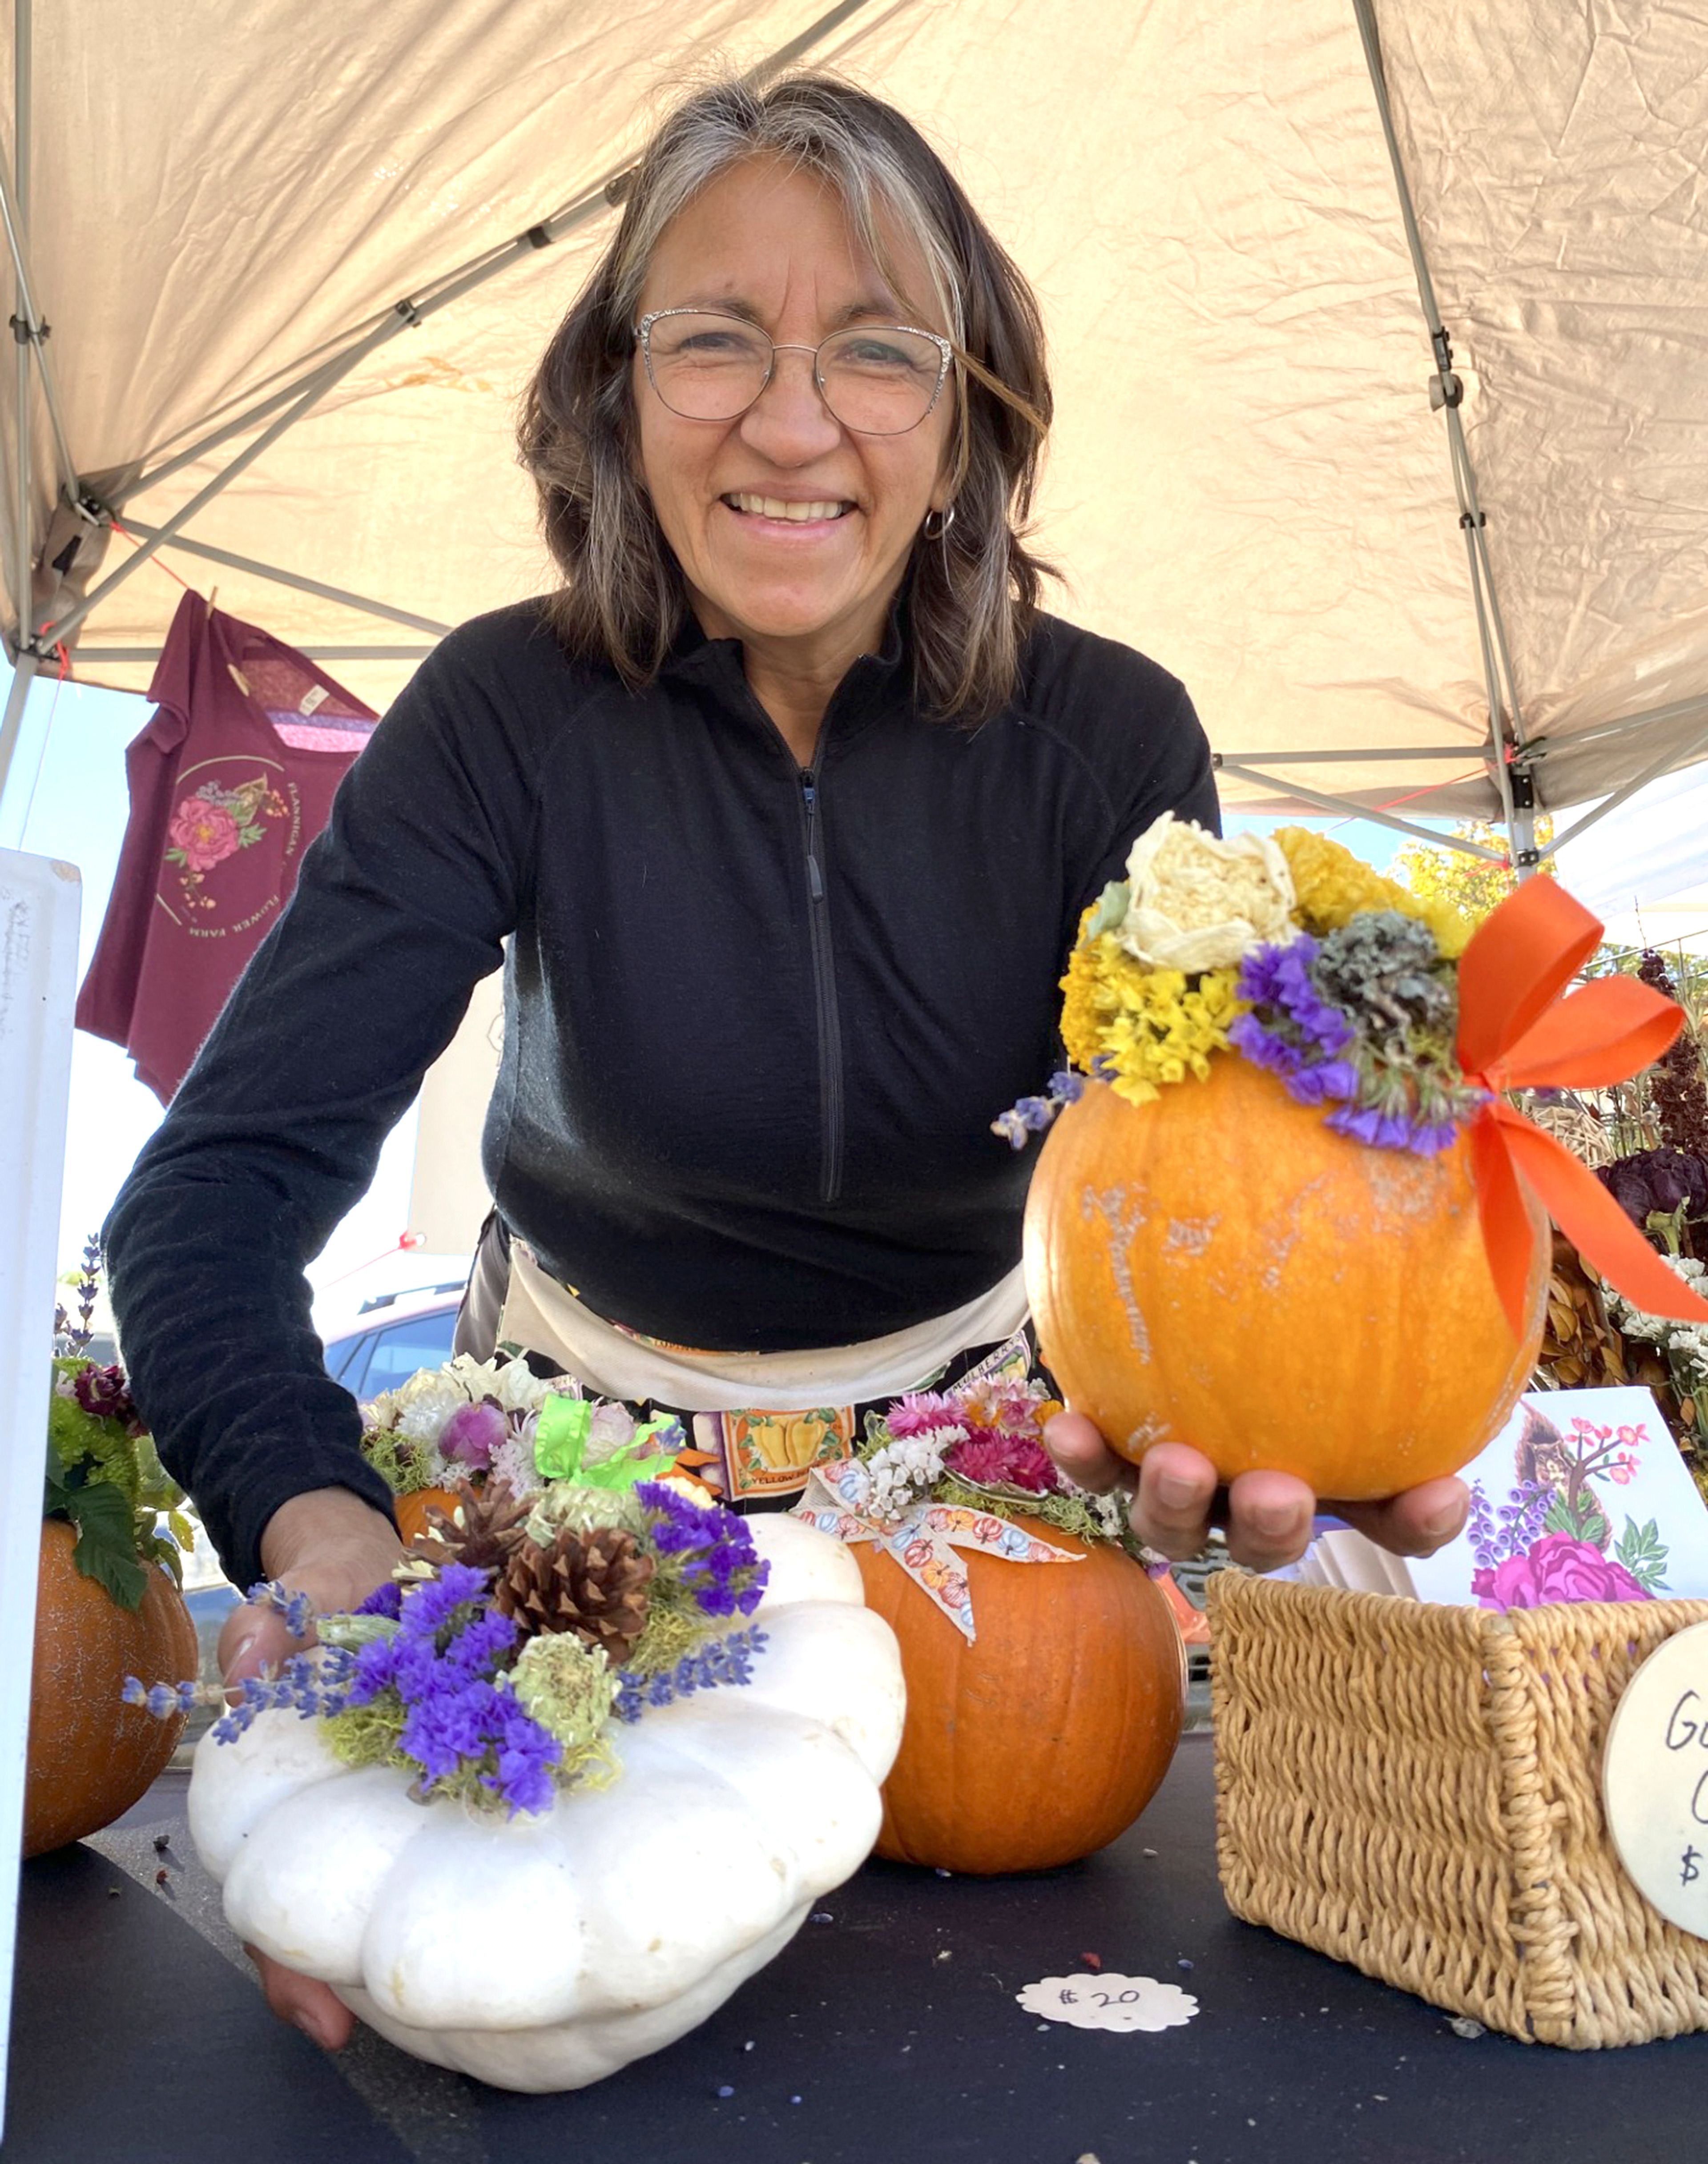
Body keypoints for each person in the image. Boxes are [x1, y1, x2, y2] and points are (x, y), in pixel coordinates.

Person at [104, 72, 1470, 2048]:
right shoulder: (502, 713)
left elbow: (1213, 1195)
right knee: (492, 2004)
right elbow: (213, 1195)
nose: (793, 415)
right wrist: (320, 1525)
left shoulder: (1115, 742)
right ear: (616, 393)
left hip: (995, 1498)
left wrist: (1274, 1404)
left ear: (972, 411)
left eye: (879, 352)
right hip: (560, 1500)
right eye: (715, 338)